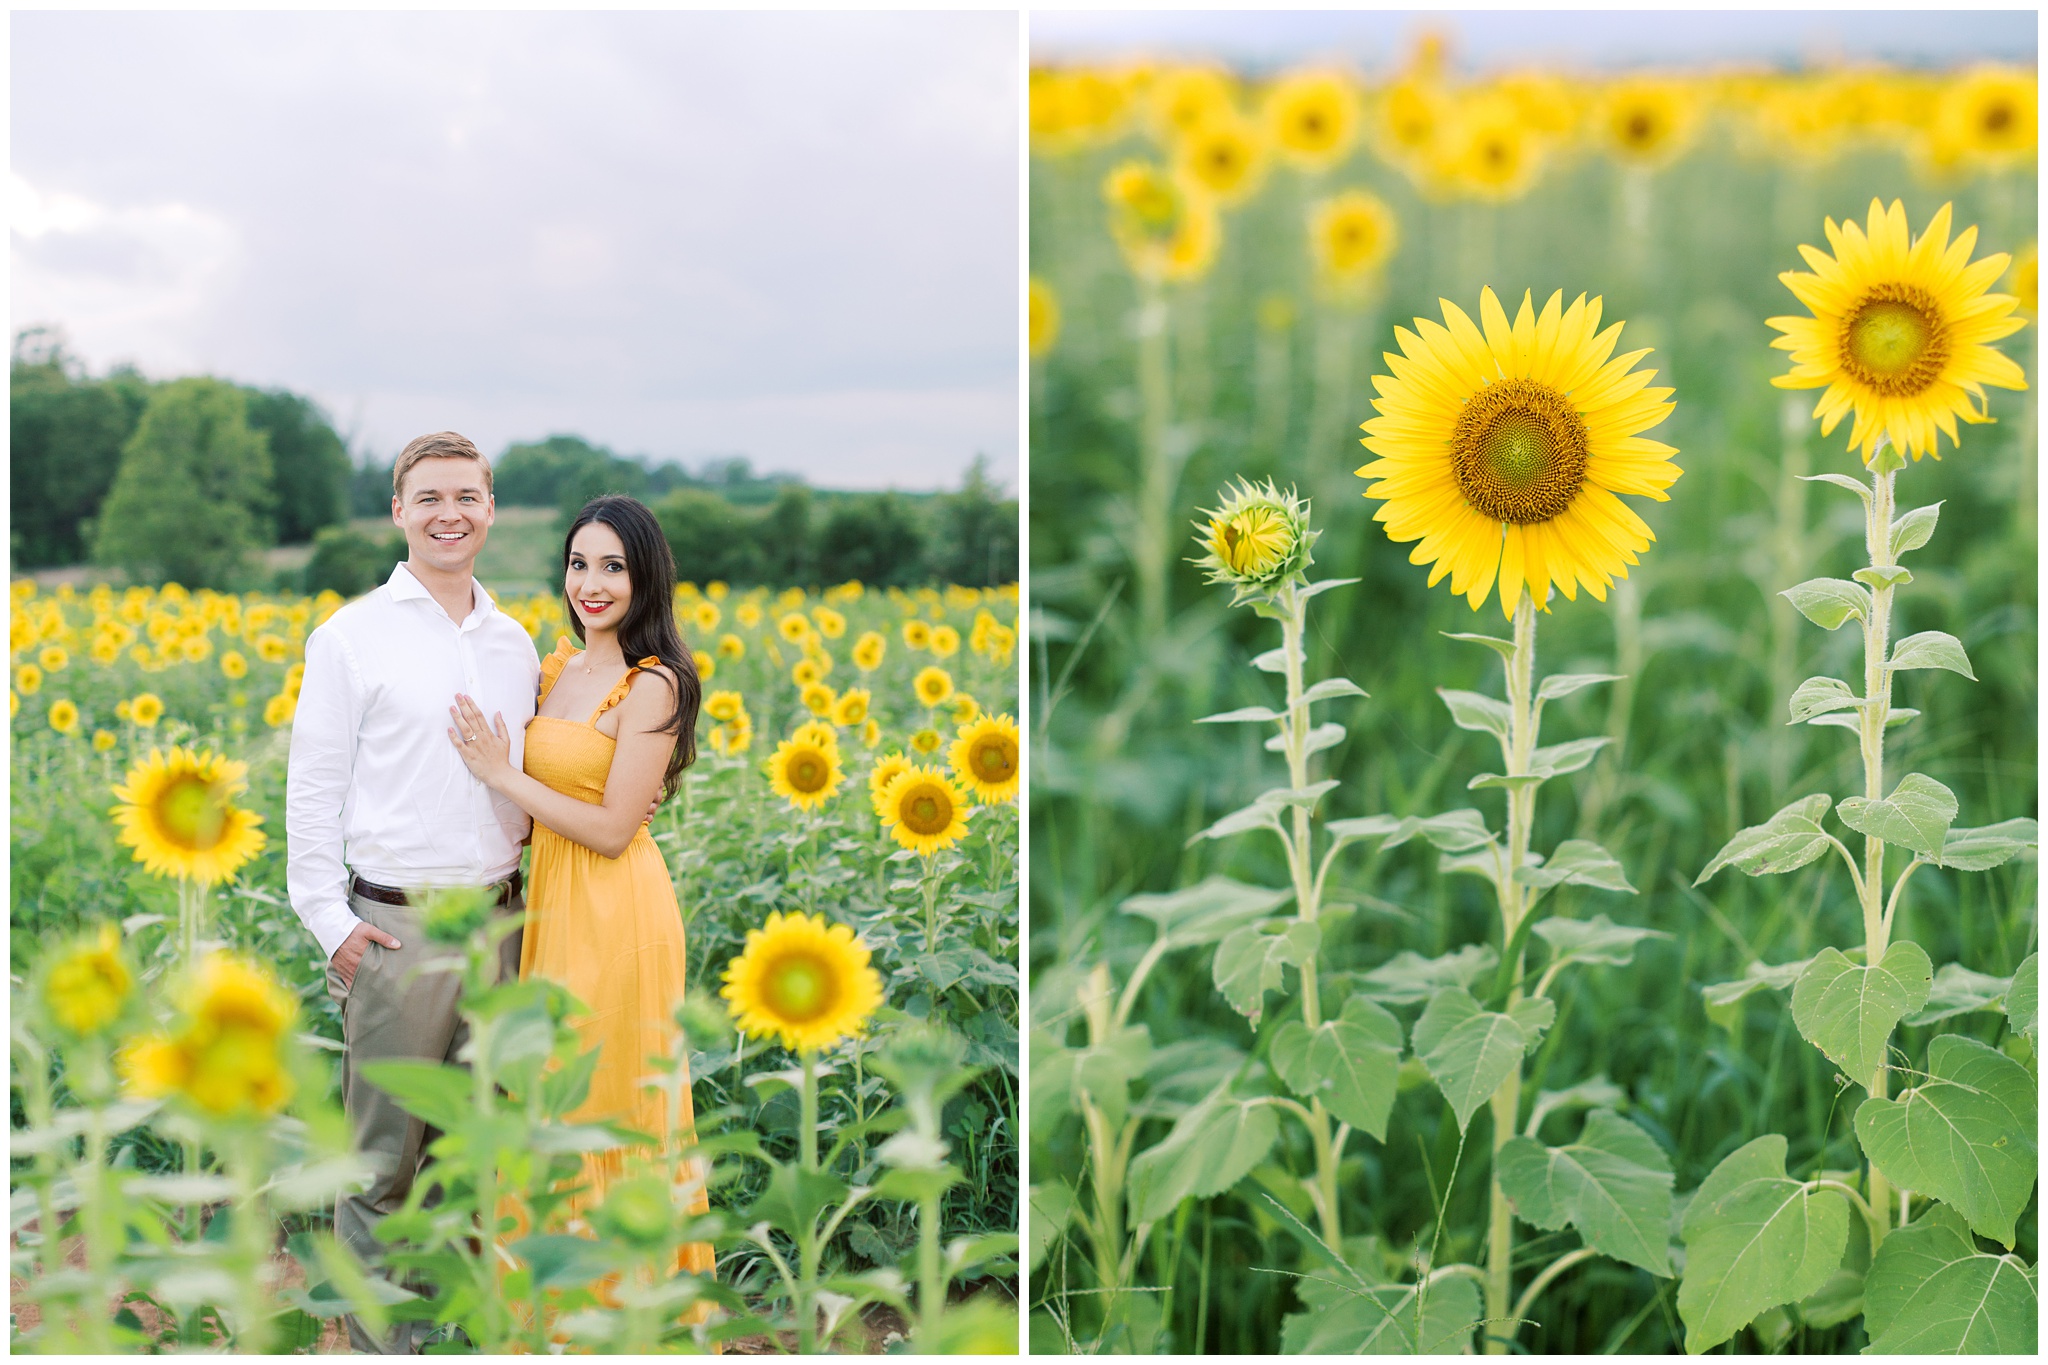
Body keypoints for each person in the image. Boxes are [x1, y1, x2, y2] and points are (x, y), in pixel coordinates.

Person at [286, 431, 538, 1354]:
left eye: (467, 496)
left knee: (479, 1149)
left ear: (490, 509)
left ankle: (463, 1329)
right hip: (396, 926)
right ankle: (383, 1344)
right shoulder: (350, 634)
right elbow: (313, 786)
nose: (449, 514)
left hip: (500, 921)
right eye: (428, 497)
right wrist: (328, 920)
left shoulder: (516, 642)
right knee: (384, 1159)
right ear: (398, 511)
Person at [445, 494, 716, 1294]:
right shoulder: (555, 668)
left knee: (605, 1095)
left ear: (646, 577)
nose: (590, 584)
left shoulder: (655, 684)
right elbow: (552, 805)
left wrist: (505, 774)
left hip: (616, 909)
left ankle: (628, 1315)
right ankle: (549, 1315)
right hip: (553, 902)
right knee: (546, 1092)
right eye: (577, 563)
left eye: (612, 567)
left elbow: (610, 828)